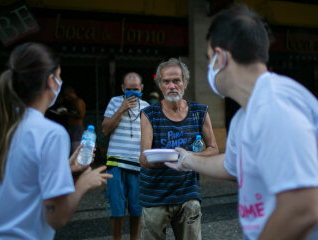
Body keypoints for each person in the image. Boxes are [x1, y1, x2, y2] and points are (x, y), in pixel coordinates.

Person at [165, 4, 318, 240]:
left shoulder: (274, 107)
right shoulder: (244, 116)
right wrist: (186, 160)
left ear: (222, 57)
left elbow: (302, 207)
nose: (208, 68)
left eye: (209, 60)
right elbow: (231, 165)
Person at [0, 42, 112, 240]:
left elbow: (22, 181)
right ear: (51, 81)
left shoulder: (7, 125)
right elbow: (56, 218)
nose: (60, 82)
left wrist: (65, 167)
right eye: (59, 76)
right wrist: (83, 184)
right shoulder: (51, 133)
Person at [139, 58, 219, 240]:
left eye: (176, 80)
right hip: (155, 196)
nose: (172, 86)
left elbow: (213, 149)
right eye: (166, 81)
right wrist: (170, 160)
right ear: (160, 85)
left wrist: (188, 158)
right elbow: (143, 158)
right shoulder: (149, 114)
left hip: (188, 194)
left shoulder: (199, 112)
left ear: (185, 83)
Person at [102, 72, 149, 240]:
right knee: (116, 208)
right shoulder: (115, 102)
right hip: (116, 163)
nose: (132, 93)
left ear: (142, 88)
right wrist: (121, 108)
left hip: (138, 165)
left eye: (135, 89)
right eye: (128, 90)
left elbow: (149, 137)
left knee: (137, 210)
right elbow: (105, 129)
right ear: (122, 88)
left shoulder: (146, 107)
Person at [62, 86, 86, 154]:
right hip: (72, 128)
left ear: (71, 93)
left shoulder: (78, 101)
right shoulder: (72, 102)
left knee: (76, 149)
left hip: (77, 129)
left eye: (67, 95)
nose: (66, 97)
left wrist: (67, 113)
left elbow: (81, 114)